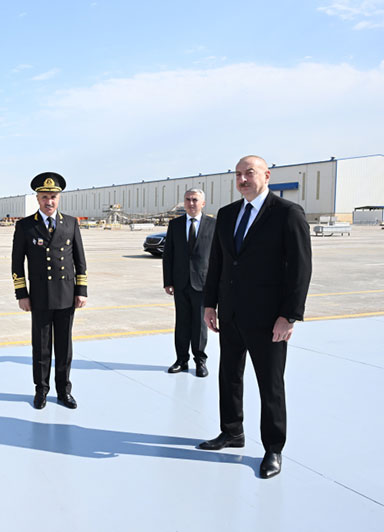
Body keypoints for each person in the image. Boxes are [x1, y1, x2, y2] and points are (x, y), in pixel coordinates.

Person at [199, 155, 312, 479]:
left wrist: (289, 316)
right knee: (229, 376)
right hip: (231, 314)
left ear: (266, 175)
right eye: (238, 174)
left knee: (270, 384)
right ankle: (232, 431)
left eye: (249, 173)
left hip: (268, 319)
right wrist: (210, 304)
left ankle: (273, 448)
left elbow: (300, 268)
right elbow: (218, 263)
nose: (243, 179)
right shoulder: (227, 214)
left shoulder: (287, 213)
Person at [11, 172, 88, 410]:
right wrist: (22, 294)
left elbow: (80, 260)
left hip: (66, 295)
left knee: (64, 348)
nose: (49, 201)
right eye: (44, 197)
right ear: (37, 198)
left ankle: (64, 391)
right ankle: (41, 390)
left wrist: (81, 290)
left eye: (53, 197)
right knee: (41, 348)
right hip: (40, 297)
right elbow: (16, 263)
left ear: (59, 198)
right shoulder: (25, 226)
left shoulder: (71, 223)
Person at [162, 188, 216, 377]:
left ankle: (200, 361)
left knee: (200, 325)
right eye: (187, 200)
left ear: (203, 203)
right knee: (182, 323)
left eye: (195, 200)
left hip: (203, 283)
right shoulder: (175, 225)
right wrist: (168, 281)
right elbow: (168, 255)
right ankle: (181, 360)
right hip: (181, 283)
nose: (191, 203)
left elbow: (218, 257)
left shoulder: (213, 225)